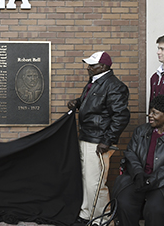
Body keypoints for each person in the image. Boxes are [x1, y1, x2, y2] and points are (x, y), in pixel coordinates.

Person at [67, 51, 130, 225]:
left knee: (95, 183)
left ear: (103, 67)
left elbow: (121, 116)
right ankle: (87, 214)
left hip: (98, 142)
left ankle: (101, 219)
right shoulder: (95, 82)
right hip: (87, 137)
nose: (88, 68)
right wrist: (78, 102)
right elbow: (95, 104)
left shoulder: (115, 86)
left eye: (92, 65)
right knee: (87, 180)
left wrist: (107, 140)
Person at [112, 94, 164, 225]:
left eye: (155, 113)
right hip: (138, 178)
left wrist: (151, 180)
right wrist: (138, 173)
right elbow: (131, 154)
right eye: (150, 111)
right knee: (124, 201)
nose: (150, 115)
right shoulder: (140, 131)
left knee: (155, 208)